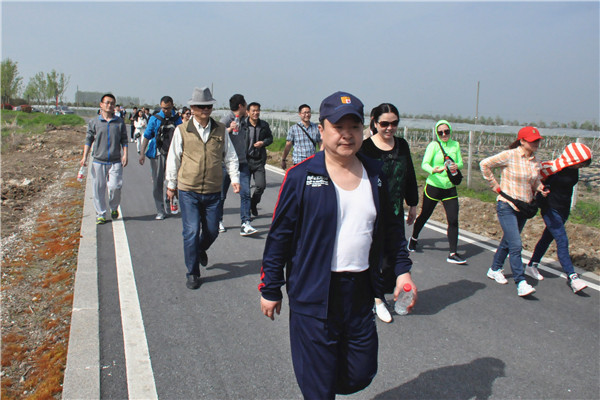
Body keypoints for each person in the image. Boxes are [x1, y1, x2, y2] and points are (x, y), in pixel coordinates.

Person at [259, 91, 416, 399]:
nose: (347, 134)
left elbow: (392, 229)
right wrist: (270, 287)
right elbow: (280, 236)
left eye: (354, 127)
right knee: (318, 386)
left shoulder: (375, 174)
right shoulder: (302, 176)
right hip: (313, 293)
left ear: (363, 130)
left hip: (359, 291)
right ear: (322, 130)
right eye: (338, 127)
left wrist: (402, 271)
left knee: (361, 372)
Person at [165, 87, 240, 290]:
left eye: (208, 106)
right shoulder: (182, 130)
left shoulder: (220, 130)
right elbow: (173, 158)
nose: (205, 110)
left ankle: (199, 249)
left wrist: (235, 178)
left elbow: (230, 156)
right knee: (191, 230)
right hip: (188, 189)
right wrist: (171, 184)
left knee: (212, 230)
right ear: (192, 108)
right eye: (200, 106)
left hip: (213, 191)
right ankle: (192, 272)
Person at [360, 103, 418, 323]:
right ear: (375, 123)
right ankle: (376, 299)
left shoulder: (402, 145)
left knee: (395, 253)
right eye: (384, 123)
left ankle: (385, 292)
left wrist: (413, 203)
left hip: (394, 209)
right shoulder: (365, 148)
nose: (389, 128)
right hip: (371, 211)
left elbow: (409, 175)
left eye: (394, 123)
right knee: (373, 255)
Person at [480, 126, 550, 297]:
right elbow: (484, 164)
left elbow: (534, 181)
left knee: (508, 240)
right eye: (532, 141)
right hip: (507, 205)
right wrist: (494, 185)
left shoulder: (535, 161)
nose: (536, 143)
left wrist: (540, 188)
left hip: (524, 207)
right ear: (522, 141)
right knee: (516, 244)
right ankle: (520, 282)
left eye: (537, 140)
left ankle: (495, 269)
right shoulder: (510, 155)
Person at [527, 142, 592, 293]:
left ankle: (532, 265)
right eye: (581, 163)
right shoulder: (553, 168)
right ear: (573, 159)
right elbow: (537, 180)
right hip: (550, 208)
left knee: (547, 238)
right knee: (562, 241)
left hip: (563, 209)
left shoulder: (573, 170)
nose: (582, 166)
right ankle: (573, 277)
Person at [408, 120, 467, 264]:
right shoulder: (433, 146)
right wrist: (433, 170)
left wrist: (456, 165)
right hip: (434, 186)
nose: (444, 134)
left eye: (446, 131)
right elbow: (425, 164)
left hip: (449, 187)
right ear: (437, 133)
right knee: (425, 215)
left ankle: (453, 253)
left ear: (450, 131)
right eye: (440, 132)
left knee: (453, 220)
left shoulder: (455, 145)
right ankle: (414, 238)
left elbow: (461, 163)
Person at [80, 94, 128, 224]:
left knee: (115, 187)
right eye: (107, 103)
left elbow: (124, 140)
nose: (109, 105)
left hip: (115, 160)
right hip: (98, 160)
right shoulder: (94, 122)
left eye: (112, 103)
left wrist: (125, 154)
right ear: (101, 105)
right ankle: (100, 213)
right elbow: (88, 139)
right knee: (98, 189)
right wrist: (84, 156)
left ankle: (114, 207)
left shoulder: (119, 122)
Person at [217, 94, 257, 236]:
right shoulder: (226, 120)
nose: (247, 107)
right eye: (245, 104)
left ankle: (245, 223)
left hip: (242, 162)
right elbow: (216, 138)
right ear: (241, 105)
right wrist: (228, 129)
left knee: (245, 193)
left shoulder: (244, 120)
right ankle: (218, 220)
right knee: (221, 195)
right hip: (226, 164)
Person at [139, 96, 182, 220]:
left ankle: (170, 203)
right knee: (158, 182)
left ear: (172, 106)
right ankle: (160, 209)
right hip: (158, 154)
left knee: (173, 180)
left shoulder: (177, 119)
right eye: (163, 108)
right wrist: (142, 153)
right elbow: (147, 135)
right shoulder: (155, 118)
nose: (165, 110)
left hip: (173, 154)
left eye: (167, 108)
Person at [245, 102, 273, 217]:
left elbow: (270, 138)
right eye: (253, 110)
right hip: (246, 161)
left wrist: (263, 143)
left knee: (261, 186)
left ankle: (253, 203)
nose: (256, 113)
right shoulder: (243, 125)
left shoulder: (264, 125)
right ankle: (246, 215)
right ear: (248, 112)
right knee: (245, 190)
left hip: (259, 160)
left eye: (257, 110)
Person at [281, 104, 321, 170]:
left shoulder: (316, 128)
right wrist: (283, 159)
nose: (307, 115)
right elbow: (288, 145)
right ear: (300, 114)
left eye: (308, 112)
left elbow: (320, 143)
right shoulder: (293, 128)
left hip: (312, 161)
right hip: (298, 161)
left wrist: (322, 158)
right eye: (304, 113)